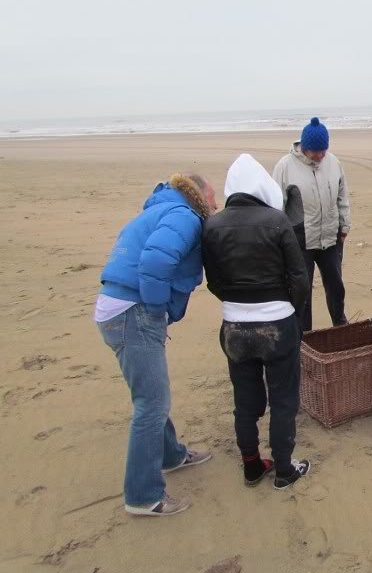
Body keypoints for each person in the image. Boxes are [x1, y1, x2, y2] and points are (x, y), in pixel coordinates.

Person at [95, 173, 216, 517]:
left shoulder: (164, 207)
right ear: (200, 193)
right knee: (152, 403)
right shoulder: (185, 215)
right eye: (214, 197)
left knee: (151, 395)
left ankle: (171, 455)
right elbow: (155, 261)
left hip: (116, 306)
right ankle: (143, 496)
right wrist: (155, 310)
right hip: (132, 312)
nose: (216, 204)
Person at [203, 154, 311, 489]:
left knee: (244, 400)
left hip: (234, 326)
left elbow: (214, 281)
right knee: (283, 399)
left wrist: (236, 304)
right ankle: (283, 470)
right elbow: (300, 278)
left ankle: (251, 465)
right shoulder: (277, 222)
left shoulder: (212, 225)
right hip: (277, 322)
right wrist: (289, 309)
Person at [271, 117, 352, 331]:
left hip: (331, 237)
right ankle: (303, 334)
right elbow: (276, 207)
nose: (320, 155)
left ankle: (340, 325)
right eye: (315, 151)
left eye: (323, 150)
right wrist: (280, 240)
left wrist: (344, 226)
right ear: (304, 147)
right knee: (302, 289)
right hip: (299, 240)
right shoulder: (285, 166)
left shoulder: (333, 162)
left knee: (336, 285)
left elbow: (342, 196)